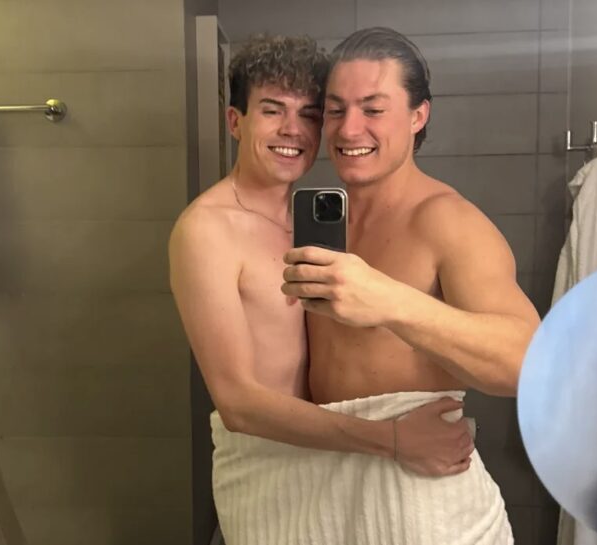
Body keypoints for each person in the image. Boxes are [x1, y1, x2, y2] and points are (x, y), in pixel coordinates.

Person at [169, 32, 474, 515]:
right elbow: (237, 402)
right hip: (267, 472)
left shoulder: (314, 221)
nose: (293, 130)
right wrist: (393, 439)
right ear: (235, 121)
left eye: (309, 114)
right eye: (272, 110)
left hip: (337, 461)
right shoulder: (207, 230)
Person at [278, 27, 543, 544]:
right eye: (335, 110)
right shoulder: (320, 219)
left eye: (373, 109)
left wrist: (392, 303)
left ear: (418, 115)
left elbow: (528, 362)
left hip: (423, 498)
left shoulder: (448, 221)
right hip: (333, 480)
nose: (349, 129)